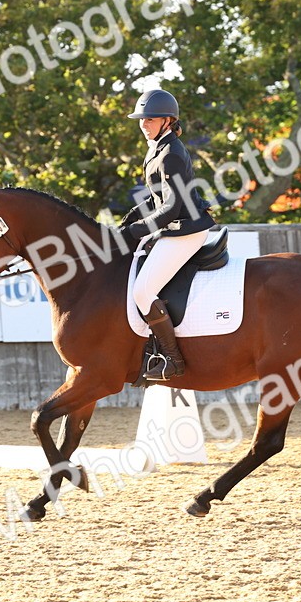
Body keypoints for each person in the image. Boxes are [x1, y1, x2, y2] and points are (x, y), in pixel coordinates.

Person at [118, 88, 216, 382]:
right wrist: (129, 221)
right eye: (141, 119)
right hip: (172, 227)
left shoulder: (171, 153)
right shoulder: (158, 147)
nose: (143, 124)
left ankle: (173, 360)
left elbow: (172, 207)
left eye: (150, 119)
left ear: (168, 120)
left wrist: (136, 231)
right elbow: (157, 197)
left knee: (142, 292)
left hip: (185, 231)